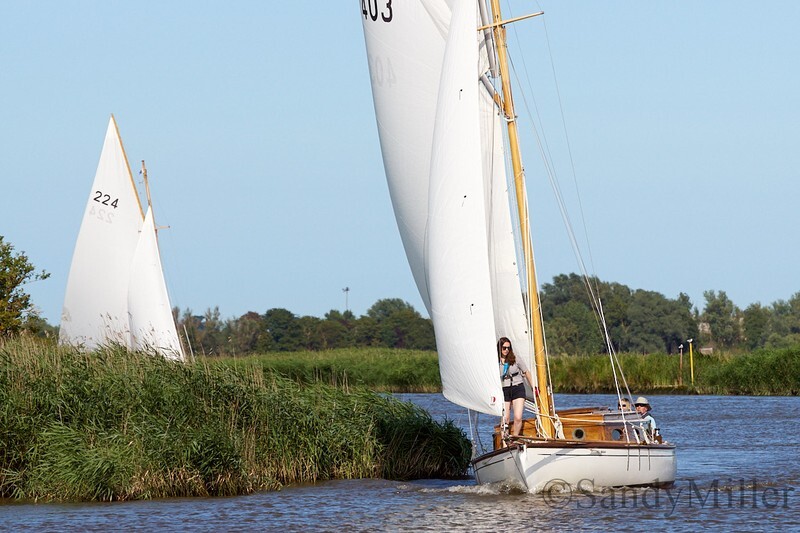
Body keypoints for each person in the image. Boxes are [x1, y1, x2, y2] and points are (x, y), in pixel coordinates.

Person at [497, 337, 534, 438]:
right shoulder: (496, 362)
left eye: (508, 348)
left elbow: (526, 372)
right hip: (504, 389)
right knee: (506, 418)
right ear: (500, 348)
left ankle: (515, 437)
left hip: (517, 388)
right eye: (504, 348)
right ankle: (505, 441)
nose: (506, 350)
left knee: (518, 417)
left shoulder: (515, 358)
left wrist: (533, 387)